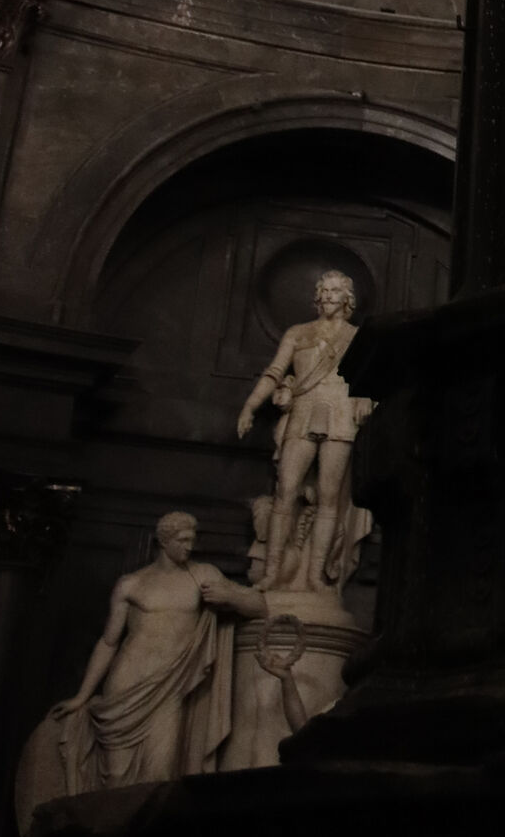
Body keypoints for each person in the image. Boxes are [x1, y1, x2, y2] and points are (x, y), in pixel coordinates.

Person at [49, 511, 231, 791]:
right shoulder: (132, 583)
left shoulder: (203, 575)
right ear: (164, 541)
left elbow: (255, 605)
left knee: (160, 773)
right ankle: (109, 833)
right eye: (182, 540)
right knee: (116, 777)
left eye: (192, 540)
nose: (189, 546)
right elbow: (109, 642)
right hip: (126, 683)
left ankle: (144, 836)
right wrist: (82, 696)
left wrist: (229, 596)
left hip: (169, 687)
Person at [237, 270, 373, 598]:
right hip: (304, 409)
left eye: (335, 291)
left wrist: (366, 398)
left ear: (347, 299)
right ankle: (271, 573)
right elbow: (274, 373)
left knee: (329, 498)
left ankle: (315, 575)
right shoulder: (298, 333)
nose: (327, 296)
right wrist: (250, 407)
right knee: (286, 491)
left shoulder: (358, 337)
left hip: (339, 411)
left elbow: (370, 379)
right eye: (323, 290)